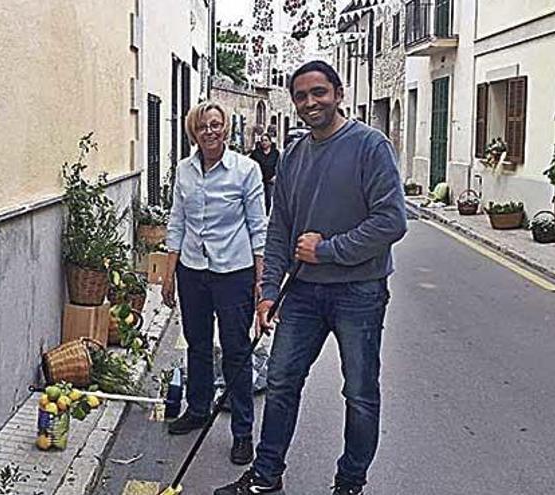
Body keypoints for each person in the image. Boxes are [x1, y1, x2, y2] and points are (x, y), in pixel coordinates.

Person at [215, 61, 407, 495]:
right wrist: (267, 296)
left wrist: (327, 250)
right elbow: (280, 226)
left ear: (338, 93)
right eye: (301, 96)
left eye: (318, 92)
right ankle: (266, 479)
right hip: (301, 294)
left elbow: (392, 221)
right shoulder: (296, 153)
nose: (309, 103)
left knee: (359, 394)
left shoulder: (369, 146)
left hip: (359, 292)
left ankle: (349, 484)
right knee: (281, 384)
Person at [162, 101, 268, 466]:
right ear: (194, 131)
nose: (210, 132)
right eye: (203, 126)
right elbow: (177, 220)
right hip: (192, 270)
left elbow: (259, 226)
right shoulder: (184, 171)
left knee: (237, 350)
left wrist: (261, 279)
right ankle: (198, 409)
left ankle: (242, 432)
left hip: (233, 272)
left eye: (216, 125)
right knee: (198, 344)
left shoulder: (246, 170)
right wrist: (168, 274)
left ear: (225, 130)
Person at [249, 133, 281, 214]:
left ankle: (266, 213)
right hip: (259, 179)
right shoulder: (256, 153)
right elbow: (250, 165)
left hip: (270, 180)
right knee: (258, 198)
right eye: (262, 141)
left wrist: (276, 175)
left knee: (268, 199)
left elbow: (279, 165)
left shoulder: (275, 153)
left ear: (270, 142)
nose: (264, 142)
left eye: (266, 140)